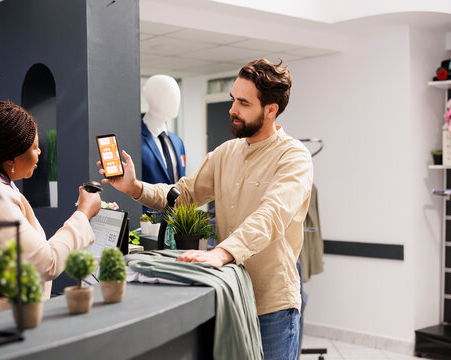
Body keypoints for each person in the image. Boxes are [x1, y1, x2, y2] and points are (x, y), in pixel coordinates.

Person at [100, 59, 313, 360]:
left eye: (243, 103)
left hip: (272, 306)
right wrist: (135, 187)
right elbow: (184, 193)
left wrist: (221, 253)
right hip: (231, 297)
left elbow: (272, 214)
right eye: (232, 99)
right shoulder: (226, 153)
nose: (232, 109)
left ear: (271, 109)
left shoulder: (294, 158)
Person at [0, 101, 102, 300]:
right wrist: (83, 213)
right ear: (10, 159)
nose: (39, 153)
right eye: (34, 147)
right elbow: (47, 263)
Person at [141, 75, 186, 185]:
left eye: (177, 95)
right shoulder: (135, 140)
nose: (176, 101)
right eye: (169, 95)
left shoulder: (177, 142)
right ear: (151, 97)